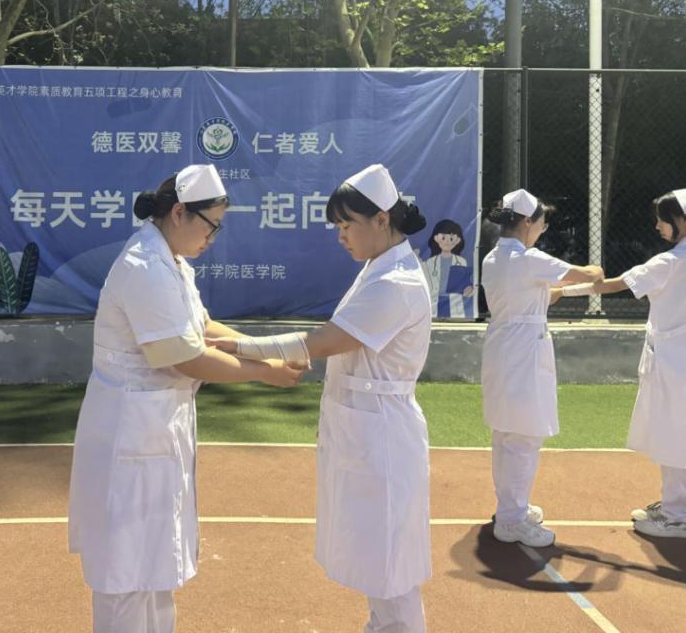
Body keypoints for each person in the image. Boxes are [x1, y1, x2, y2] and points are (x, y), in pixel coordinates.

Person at [67, 164, 304, 633]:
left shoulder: (172, 264)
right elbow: (185, 357)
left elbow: (204, 328)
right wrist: (266, 373)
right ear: (179, 213)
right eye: (212, 225)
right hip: (129, 438)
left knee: (155, 566)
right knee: (125, 572)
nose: (213, 237)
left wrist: (269, 348)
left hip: (155, 430)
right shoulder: (144, 267)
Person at [212, 164, 433, 633]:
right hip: (366, 426)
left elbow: (322, 342)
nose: (341, 236)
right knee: (377, 554)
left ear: (381, 219)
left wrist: (242, 346)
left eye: (347, 224)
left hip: (383, 433)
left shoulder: (397, 284)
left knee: (391, 563)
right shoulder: (379, 269)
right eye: (337, 226)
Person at [567, 187, 686, 539]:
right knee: (684, 433)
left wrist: (560, 291)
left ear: (683, 221)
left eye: (663, 219)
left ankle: (680, 516)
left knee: (677, 435)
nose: (657, 226)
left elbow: (614, 285)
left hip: (676, 362)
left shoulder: (671, 262)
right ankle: (677, 504)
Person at [481, 189, 603, 548]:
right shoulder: (529, 259)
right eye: (541, 223)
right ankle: (512, 519)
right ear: (526, 222)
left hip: (503, 345)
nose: (541, 229)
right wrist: (595, 271)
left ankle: (510, 507)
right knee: (524, 436)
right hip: (524, 351)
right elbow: (588, 274)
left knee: (506, 433)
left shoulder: (494, 257)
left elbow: (526, 295)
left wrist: (555, 292)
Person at [421, 218, 474, 318]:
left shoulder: (461, 261)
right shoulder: (430, 262)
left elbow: (465, 283)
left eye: (451, 239)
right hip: (435, 303)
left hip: (454, 303)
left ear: (458, 240)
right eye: (443, 238)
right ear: (436, 238)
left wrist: (469, 289)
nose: (447, 242)